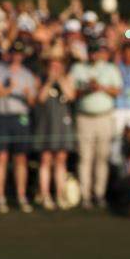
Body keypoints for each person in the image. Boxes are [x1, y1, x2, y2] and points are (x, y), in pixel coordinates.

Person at [71, 40, 122, 208]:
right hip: (84, 118)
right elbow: (71, 93)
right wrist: (87, 88)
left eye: (96, 52)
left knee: (102, 158)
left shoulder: (110, 68)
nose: (93, 55)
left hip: (104, 117)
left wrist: (101, 88)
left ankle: (99, 194)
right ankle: (85, 195)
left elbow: (118, 91)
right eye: (91, 52)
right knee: (85, 157)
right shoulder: (78, 68)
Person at [0, 42, 39, 213]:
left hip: (21, 117)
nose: (16, 56)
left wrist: (27, 96)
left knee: (21, 159)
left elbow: (33, 102)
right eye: (13, 53)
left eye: (19, 53)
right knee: (1, 158)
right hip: (3, 116)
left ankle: (21, 196)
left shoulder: (27, 75)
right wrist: (8, 89)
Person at [34, 46, 78, 210]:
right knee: (45, 160)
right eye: (53, 64)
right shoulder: (41, 78)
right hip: (46, 123)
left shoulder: (67, 78)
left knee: (61, 160)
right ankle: (45, 195)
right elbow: (40, 98)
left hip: (62, 123)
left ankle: (60, 195)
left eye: (58, 64)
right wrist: (50, 81)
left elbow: (71, 96)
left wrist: (60, 79)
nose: (56, 67)